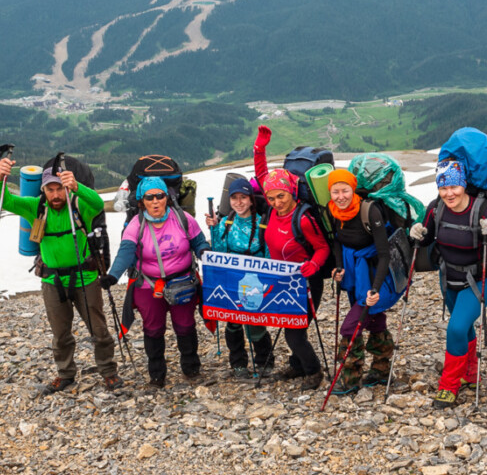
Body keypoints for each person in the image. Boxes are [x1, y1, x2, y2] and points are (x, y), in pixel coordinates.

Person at [0, 155, 118, 395]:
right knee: (60, 334)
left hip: (85, 278)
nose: (55, 195)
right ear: (43, 190)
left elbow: (98, 203)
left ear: (66, 188)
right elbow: (2, 201)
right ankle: (65, 374)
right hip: (52, 281)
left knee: (99, 331)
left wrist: (77, 187)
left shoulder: (81, 206)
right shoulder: (35, 207)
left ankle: (109, 372)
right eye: (50, 190)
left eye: (59, 188)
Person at [410, 159, 487, 409]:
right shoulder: (436, 208)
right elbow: (426, 240)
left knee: (455, 328)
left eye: (454, 187)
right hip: (448, 277)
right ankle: (470, 374)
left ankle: (449, 386)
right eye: (443, 188)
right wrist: (415, 234)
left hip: (480, 280)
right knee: (465, 328)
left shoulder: (484, 210)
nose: (449, 193)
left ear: (464, 185)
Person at [99, 178, 209, 388]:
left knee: (185, 325)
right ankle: (157, 374)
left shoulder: (183, 218)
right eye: (150, 197)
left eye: (160, 196)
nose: (156, 201)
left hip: (183, 281)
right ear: (142, 202)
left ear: (167, 198)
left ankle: (191, 366)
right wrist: (113, 275)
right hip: (149, 286)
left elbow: (199, 241)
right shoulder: (135, 225)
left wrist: (204, 251)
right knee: (153, 328)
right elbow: (126, 253)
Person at [253, 126, 332, 389]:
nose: (276, 202)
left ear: (292, 192)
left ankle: (313, 372)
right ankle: (298, 366)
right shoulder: (273, 210)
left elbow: (322, 248)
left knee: (294, 333)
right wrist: (259, 150)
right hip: (283, 280)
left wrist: (314, 265)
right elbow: (263, 176)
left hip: (307, 281)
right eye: (272, 198)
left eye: (281, 196)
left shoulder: (304, 218)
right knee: (291, 327)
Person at [325, 168, 401, 395]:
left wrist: (375, 288)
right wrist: (339, 266)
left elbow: (385, 253)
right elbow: (337, 241)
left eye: (345, 190)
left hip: (379, 274)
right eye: (335, 191)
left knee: (350, 327)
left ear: (353, 189)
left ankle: (350, 379)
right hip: (354, 272)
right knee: (374, 318)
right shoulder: (332, 212)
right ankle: (380, 370)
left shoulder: (370, 211)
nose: (340, 197)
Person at [205, 176, 274, 378]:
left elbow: (269, 255)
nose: (239, 202)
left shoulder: (263, 224)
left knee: (256, 322)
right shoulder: (226, 223)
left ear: (251, 200)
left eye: (243, 197)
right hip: (232, 281)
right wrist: (215, 229)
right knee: (233, 322)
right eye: (234, 198)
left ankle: (264, 361)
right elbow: (219, 253)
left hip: (256, 282)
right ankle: (238, 363)